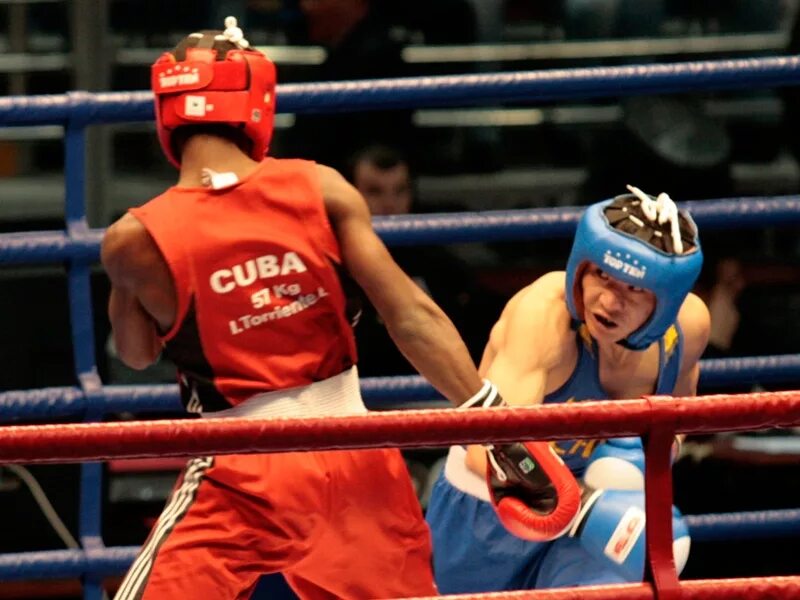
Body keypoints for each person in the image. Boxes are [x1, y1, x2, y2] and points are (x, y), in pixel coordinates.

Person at [101, 18, 492, 599]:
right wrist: (495, 425)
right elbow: (411, 314)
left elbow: (134, 355)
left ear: (168, 108)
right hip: (355, 455)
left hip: (241, 467)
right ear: (253, 101)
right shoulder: (322, 188)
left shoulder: (134, 238)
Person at [425, 186, 711, 592]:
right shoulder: (543, 318)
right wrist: (588, 511)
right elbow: (485, 451)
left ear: (666, 301)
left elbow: (679, 416)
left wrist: (640, 461)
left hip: (593, 522)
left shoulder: (688, 329)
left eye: (634, 289)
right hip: (493, 509)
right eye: (602, 276)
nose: (610, 302)